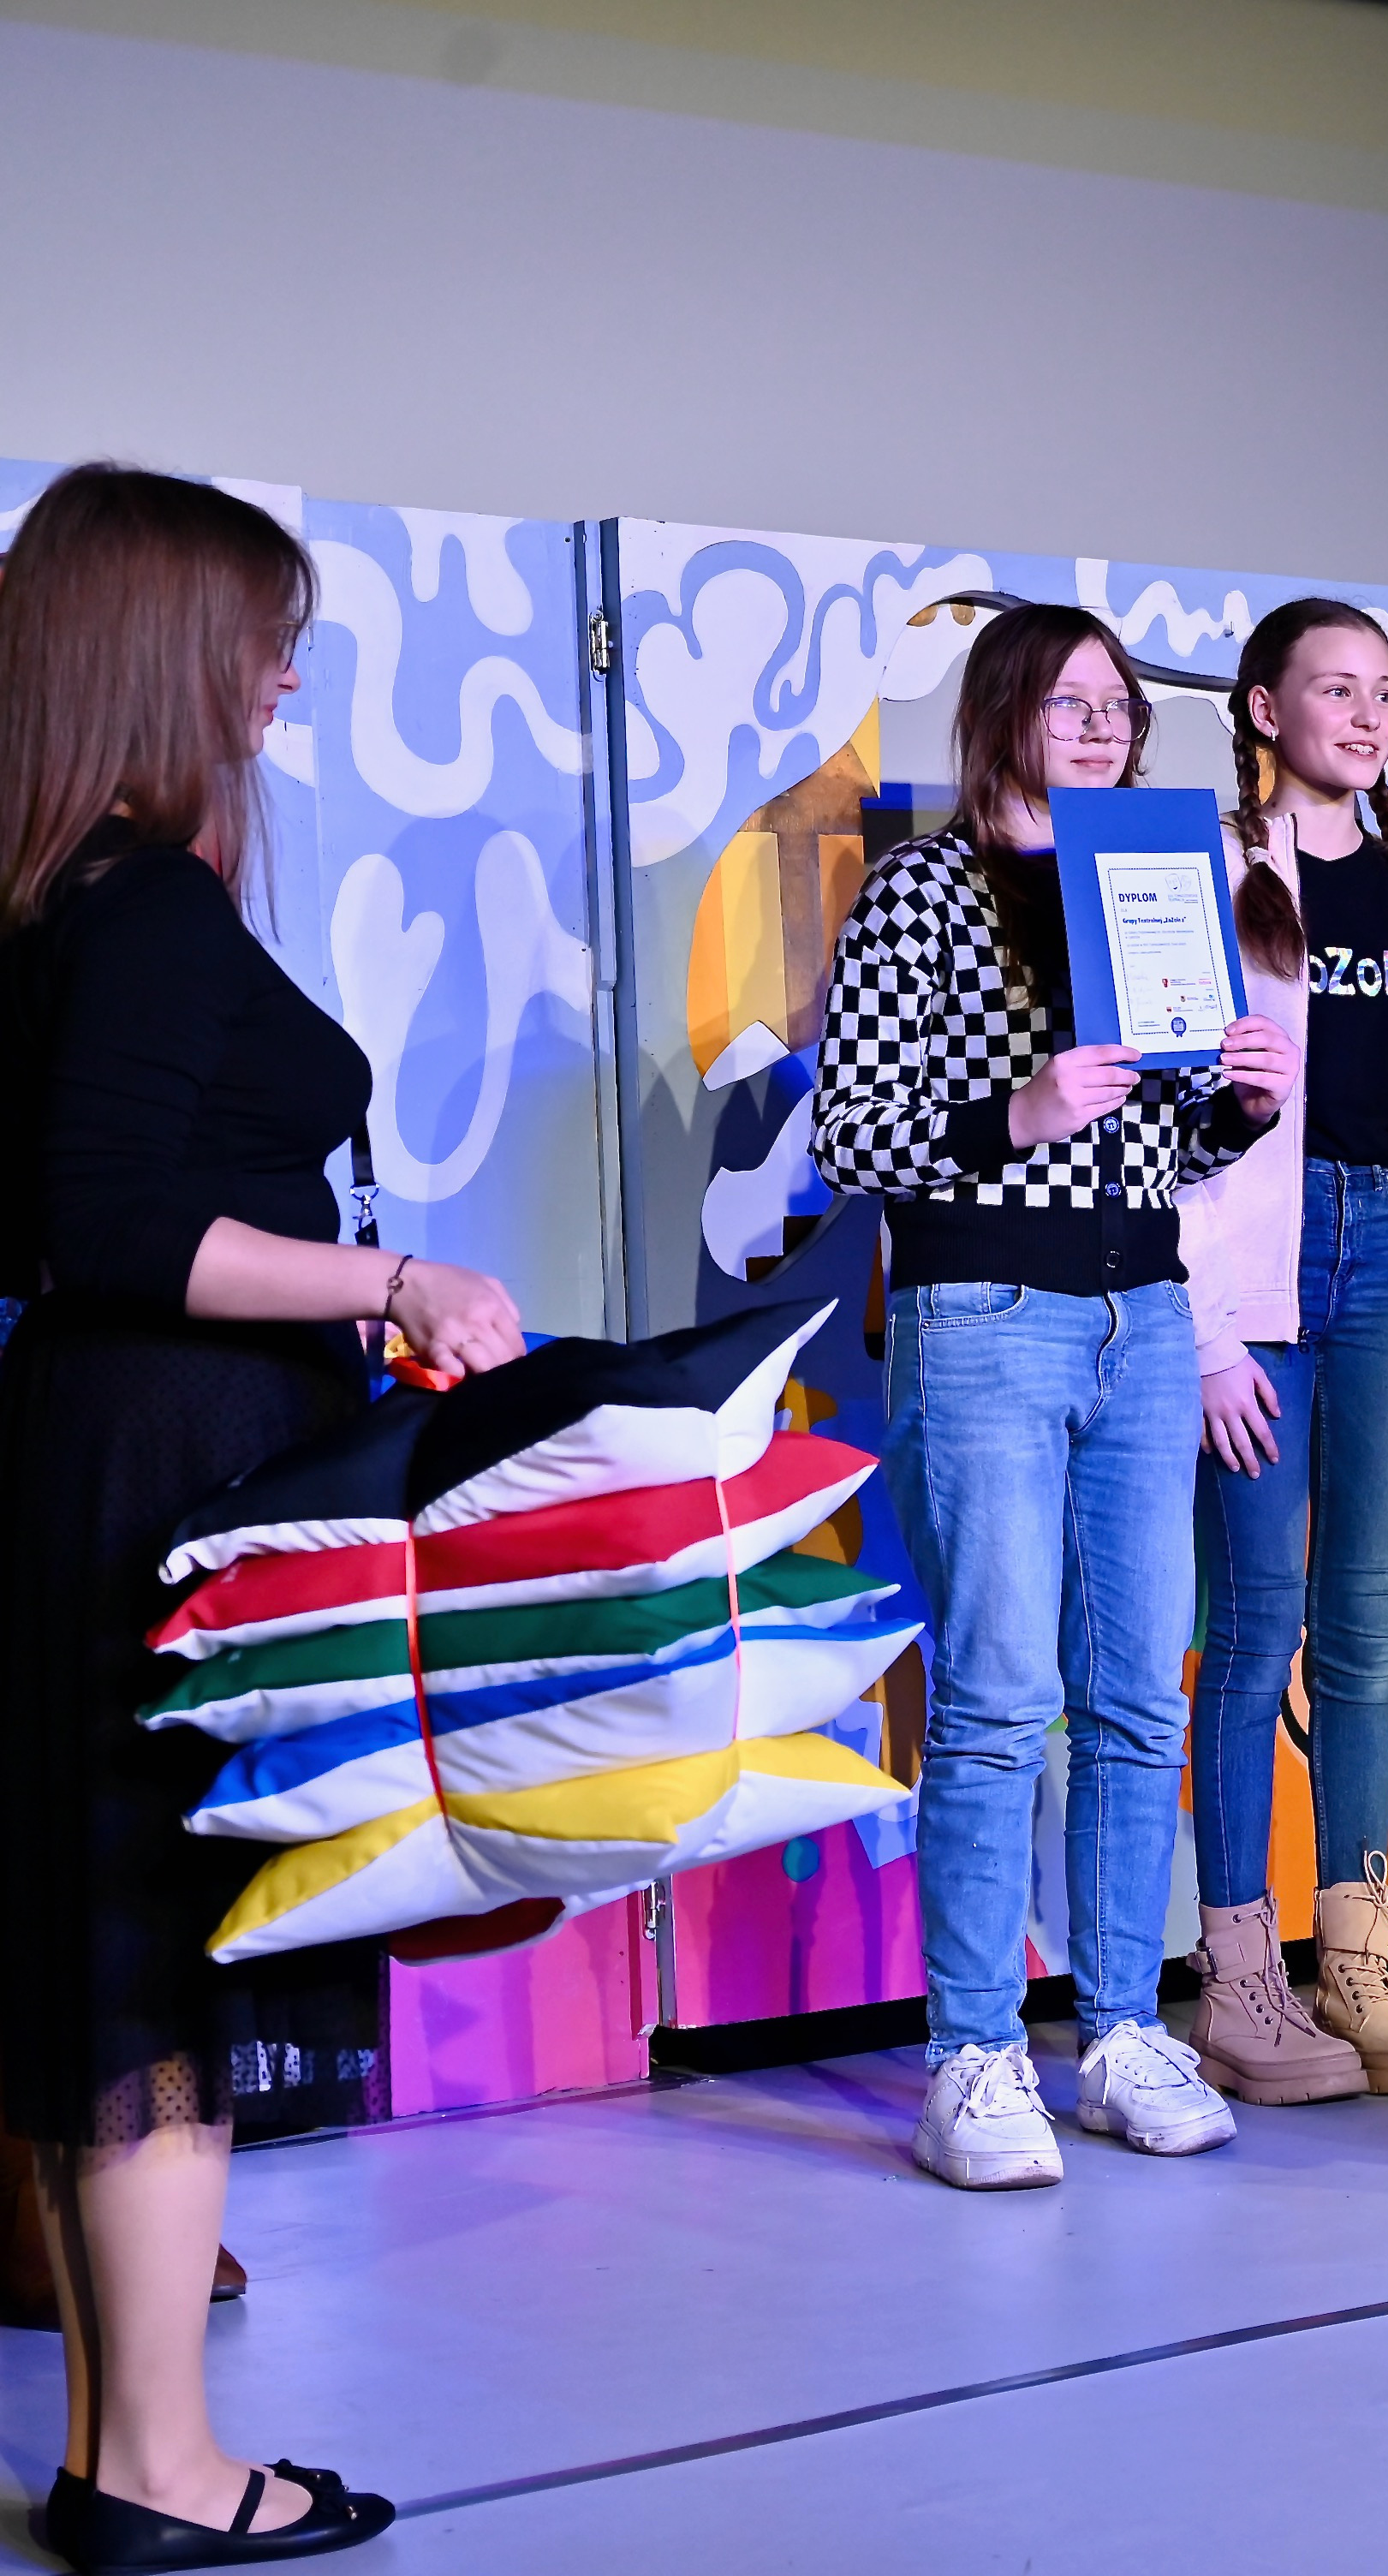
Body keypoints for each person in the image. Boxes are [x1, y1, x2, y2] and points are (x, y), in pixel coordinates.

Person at [0, 464, 510, 2565]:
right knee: (160, 1959)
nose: (283, 677)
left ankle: (123, 2450)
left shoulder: (56, 900)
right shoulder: (148, 909)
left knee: (118, 1953)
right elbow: (114, 1221)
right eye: (262, 639)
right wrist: (396, 1282)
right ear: (163, 653)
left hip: (101, 1447)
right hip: (166, 1462)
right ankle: (161, 2470)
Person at [812, 602, 1295, 2189]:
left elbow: (1169, 1136)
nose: (1099, 729)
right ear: (1002, 713)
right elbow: (850, 1132)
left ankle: (1123, 2030)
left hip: (1141, 1309)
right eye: (1070, 703)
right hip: (986, 1313)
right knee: (1001, 1694)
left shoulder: (1151, 874)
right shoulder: (923, 890)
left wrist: (1238, 1107)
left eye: (1118, 709)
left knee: (1140, 1695)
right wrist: (1013, 1108)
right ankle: (972, 2051)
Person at [1175, 599, 1388, 2106]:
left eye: (1385, 692)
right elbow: (1165, 1112)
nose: (1367, 717)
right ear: (1264, 707)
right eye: (1336, 690)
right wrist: (1200, 1330)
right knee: (1252, 1629)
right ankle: (1238, 1974)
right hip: (1259, 1264)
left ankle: (1355, 1962)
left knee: (1363, 1628)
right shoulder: (1212, 873)